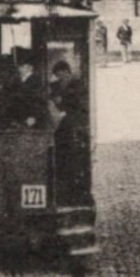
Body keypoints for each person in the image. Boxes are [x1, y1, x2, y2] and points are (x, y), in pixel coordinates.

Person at [49, 60, 89, 203]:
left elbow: (80, 105)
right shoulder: (56, 85)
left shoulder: (77, 85)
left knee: (72, 161)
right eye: (57, 76)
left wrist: (63, 104)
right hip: (62, 128)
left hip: (73, 127)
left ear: (66, 72)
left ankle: (72, 192)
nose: (59, 78)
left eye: (60, 75)